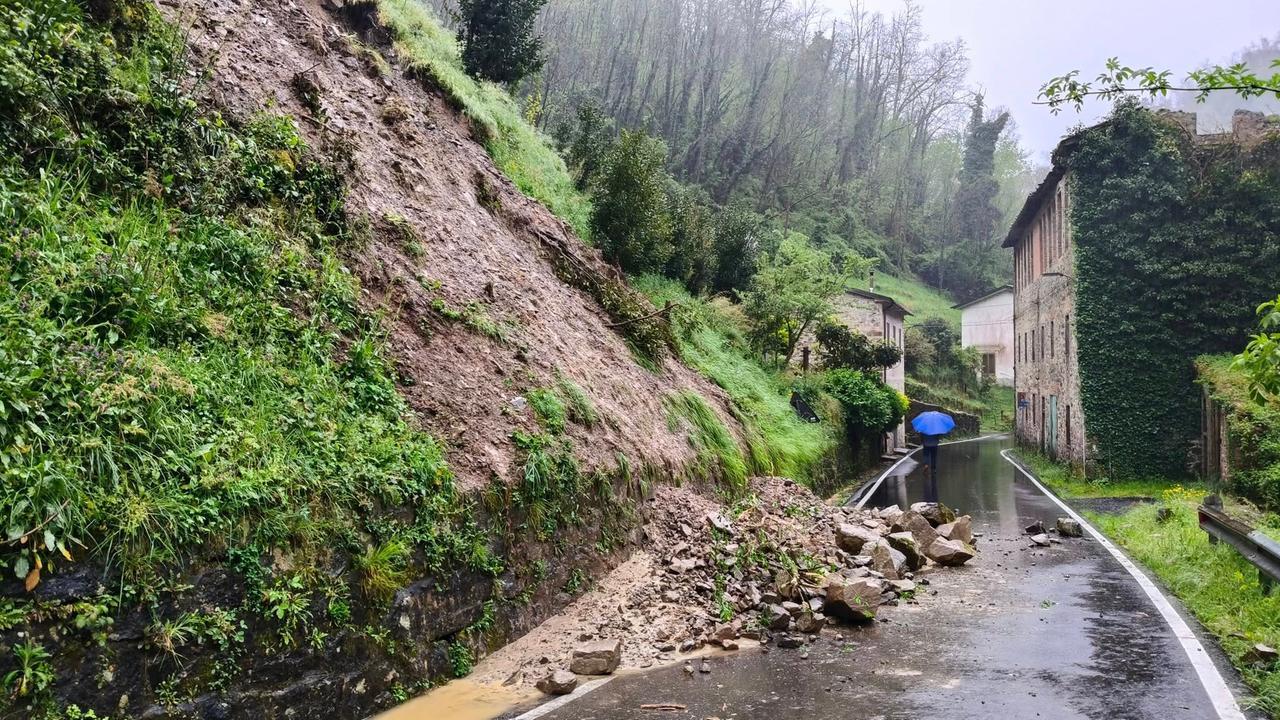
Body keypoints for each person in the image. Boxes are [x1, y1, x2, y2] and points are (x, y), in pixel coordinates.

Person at [921, 433, 941, 503]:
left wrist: (923, 441)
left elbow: (921, 435)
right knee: (933, 456)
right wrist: (937, 440)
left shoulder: (925, 427)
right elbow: (939, 435)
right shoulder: (936, 427)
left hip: (926, 443)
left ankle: (926, 464)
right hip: (934, 443)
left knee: (926, 454)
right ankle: (933, 468)